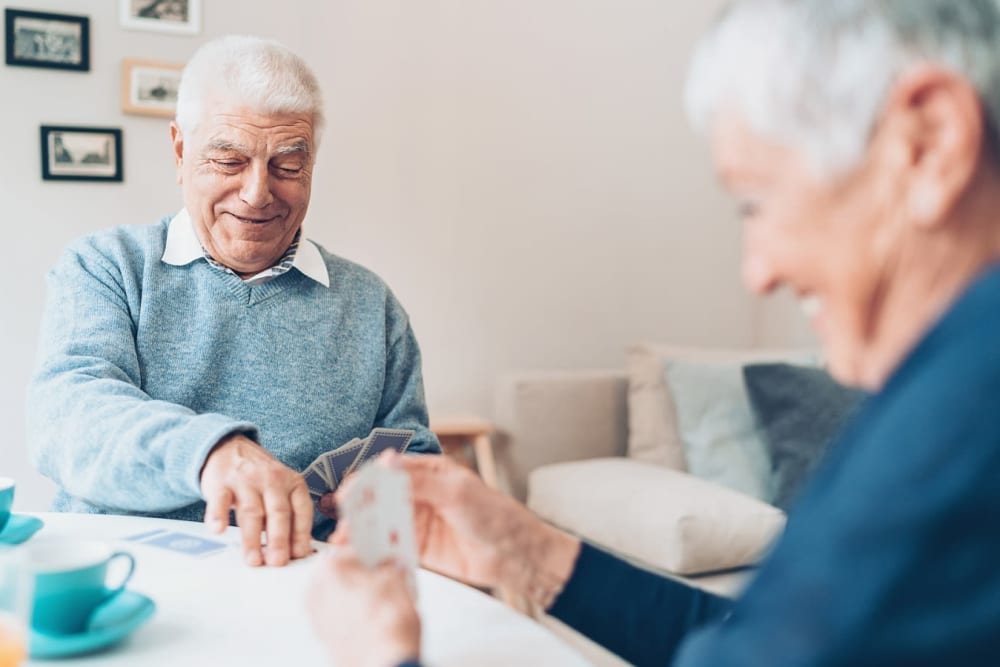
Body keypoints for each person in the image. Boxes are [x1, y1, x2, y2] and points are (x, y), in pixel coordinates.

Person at [307, 1, 1000, 664]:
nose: (756, 272)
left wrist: (383, 653)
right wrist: (530, 552)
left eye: (756, 202)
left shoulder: (957, 419)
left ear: (930, 141)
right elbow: (760, 639)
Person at [27, 35, 440, 568]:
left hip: (303, 586)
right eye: (229, 160)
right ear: (181, 152)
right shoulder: (106, 265)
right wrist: (213, 452)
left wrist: (384, 500)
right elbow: (68, 417)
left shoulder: (370, 304)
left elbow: (415, 458)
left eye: (288, 166)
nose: (257, 193)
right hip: (123, 577)